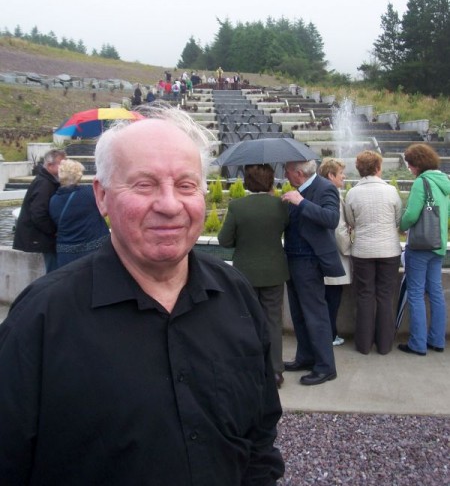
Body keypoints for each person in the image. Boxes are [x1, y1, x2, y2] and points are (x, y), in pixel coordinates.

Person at [0, 106, 284, 485]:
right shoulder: (41, 320)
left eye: (186, 185)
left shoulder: (236, 295)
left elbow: (260, 437)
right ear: (101, 197)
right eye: (144, 185)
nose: (169, 205)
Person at [218, 164, 290, 388]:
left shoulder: (237, 206)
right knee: (273, 322)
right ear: (271, 181)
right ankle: (276, 371)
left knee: (246, 321)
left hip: (245, 273)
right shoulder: (281, 206)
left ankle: (249, 369)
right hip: (274, 272)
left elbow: (224, 240)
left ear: (247, 182)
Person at [282, 159, 344, 386]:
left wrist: (301, 202)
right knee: (299, 313)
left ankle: (326, 367)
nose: (285, 175)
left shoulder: (325, 187)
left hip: (309, 261)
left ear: (298, 172)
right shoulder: (298, 189)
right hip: (293, 258)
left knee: (315, 314)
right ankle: (306, 357)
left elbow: (331, 219)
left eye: (287, 171)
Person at [344, 151, 402, 355]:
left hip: (362, 251)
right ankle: (385, 345)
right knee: (385, 296)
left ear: (360, 169)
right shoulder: (391, 191)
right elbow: (398, 219)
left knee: (364, 296)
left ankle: (363, 345)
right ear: (378, 168)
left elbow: (350, 222)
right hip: (389, 250)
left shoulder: (352, 193)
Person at [397, 143, 450, 355]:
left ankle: (417, 343)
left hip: (420, 246)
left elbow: (411, 215)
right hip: (438, 245)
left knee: (416, 293)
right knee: (436, 292)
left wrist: (400, 226)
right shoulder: (445, 181)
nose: (409, 168)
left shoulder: (421, 182)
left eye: (410, 164)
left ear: (417, 164)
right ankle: (437, 340)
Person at [12, 148, 67, 273]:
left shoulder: (47, 181)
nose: (64, 167)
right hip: (42, 237)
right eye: (61, 164)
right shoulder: (45, 184)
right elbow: (38, 213)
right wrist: (53, 231)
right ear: (49, 165)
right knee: (53, 273)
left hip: (43, 236)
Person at [49, 159, 110, 268]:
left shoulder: (54, 200)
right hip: (93, 251)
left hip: (66, 255)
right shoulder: (89, 193)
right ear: (78, 175)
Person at [318, 158, 352, 346]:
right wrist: (349, 248)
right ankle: (330, 335)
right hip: (335, 257)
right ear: (331, 175)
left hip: (322, 256)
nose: (344, 176)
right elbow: (339, 229)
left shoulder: (318, 191)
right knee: (332, 298)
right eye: (341, 173)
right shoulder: (332, 195)